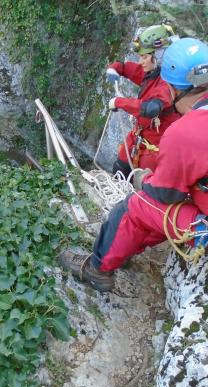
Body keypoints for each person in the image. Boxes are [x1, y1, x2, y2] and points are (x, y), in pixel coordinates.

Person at [59, 38, 208, 292]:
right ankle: (122, 249)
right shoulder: (159, 85)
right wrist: (117, 67)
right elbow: (136, 70)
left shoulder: (186, 132)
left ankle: (98, 269)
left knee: (135, 206)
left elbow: (164, 193)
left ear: (173, 88)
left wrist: (144, 179)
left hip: (193, 209)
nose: (141, 61)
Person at [107, 24, 181, 178]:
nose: (141, 61)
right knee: (120, 170)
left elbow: (151, 108)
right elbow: (132, 69)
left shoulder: (168, 84)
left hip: (154, 149)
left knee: (140, 185)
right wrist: (116, 68)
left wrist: (120, 102)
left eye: (145, 56)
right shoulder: (154, 73)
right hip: (138, 138)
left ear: (160, 55)